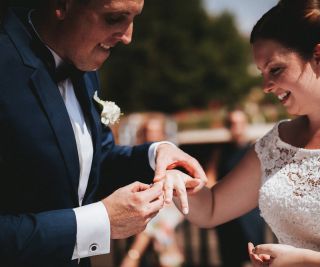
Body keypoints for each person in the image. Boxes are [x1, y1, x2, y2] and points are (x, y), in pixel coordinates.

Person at [167, 0, 320, 266]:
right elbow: (210, 209)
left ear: (318, 57)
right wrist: (175, 176)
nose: (266, 85)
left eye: (275, 69)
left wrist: (311, 261)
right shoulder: (277, 142)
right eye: (262, 73)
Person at [0, 1, 206, 267]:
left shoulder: (84, 68)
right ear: (63, 6)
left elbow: (92, 165)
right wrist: (99, 222)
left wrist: (156, 156)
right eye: (115, 18)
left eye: (133, 18)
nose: (128, 37)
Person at [120, 115, 184, 267]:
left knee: (158, 218)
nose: (152, 135)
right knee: (155, 219)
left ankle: (133, 255)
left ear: (162, 134)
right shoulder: (133, 160)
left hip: (168, 209)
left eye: (156, 131)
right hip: (144, 212)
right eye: (148, 131)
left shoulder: (172, 161)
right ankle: (170, 256)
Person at [210, 110, 265, 267]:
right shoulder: (220, 152)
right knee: (230, 257)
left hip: (249, 211)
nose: (237, 127)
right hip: (226, 211)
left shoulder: (254, 149)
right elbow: (210, 178)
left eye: (240, 122)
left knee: (254, 255)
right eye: (233, 123)